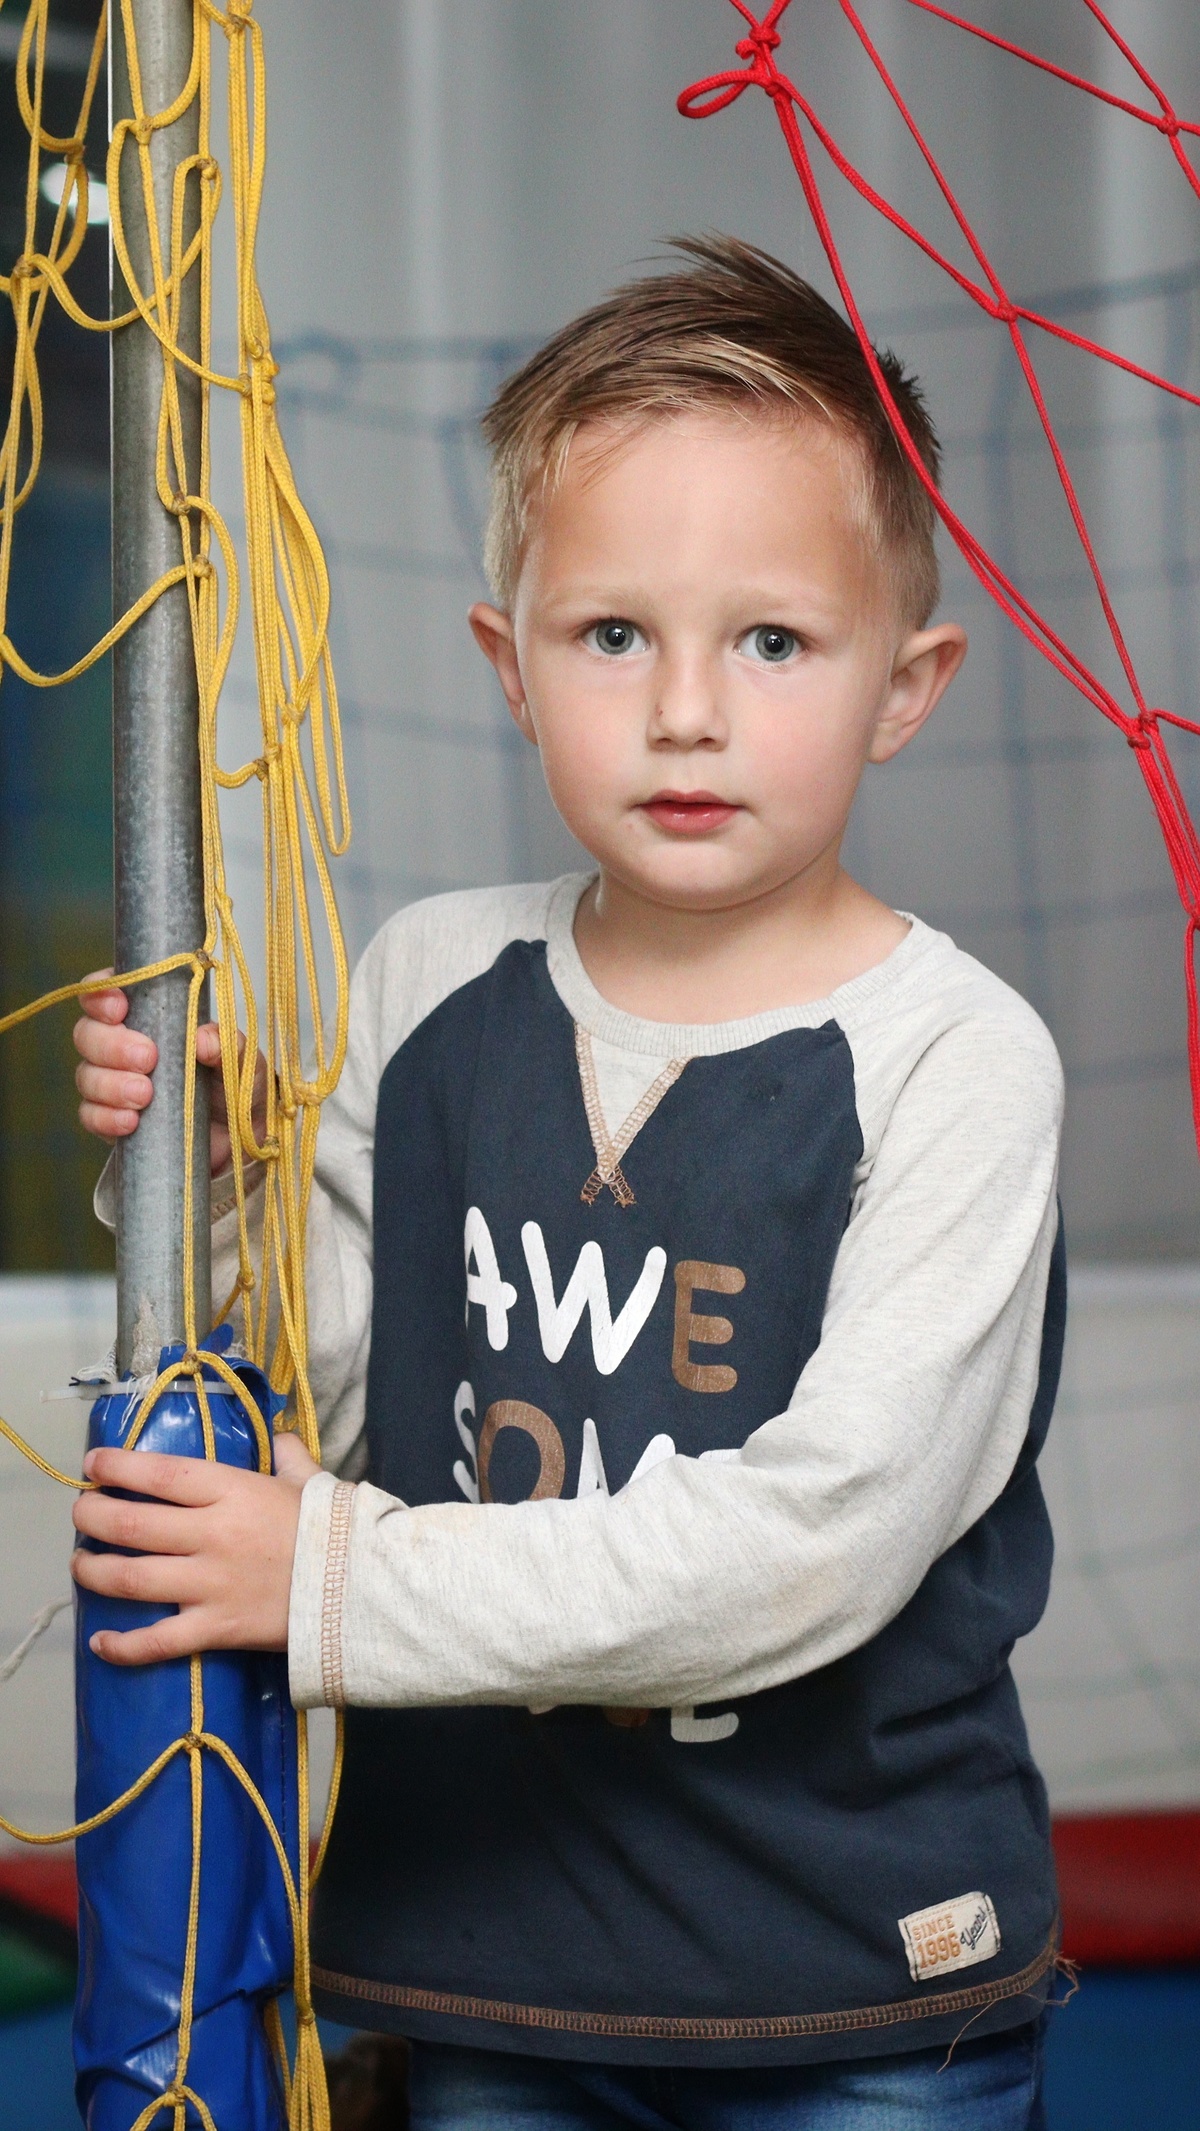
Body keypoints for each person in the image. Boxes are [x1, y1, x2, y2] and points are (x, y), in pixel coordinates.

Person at [70, 237, 1065, 2130]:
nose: (686, 710)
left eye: (772, 642)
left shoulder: (958, 1058)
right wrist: (205, 1176)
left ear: (907, 682)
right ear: (508, 665)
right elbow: (349, 1400)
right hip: (491, 1961)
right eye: (613, 635)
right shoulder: (434, 980)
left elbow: (816, 1543)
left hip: (848, 1980)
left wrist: (327, 1579)